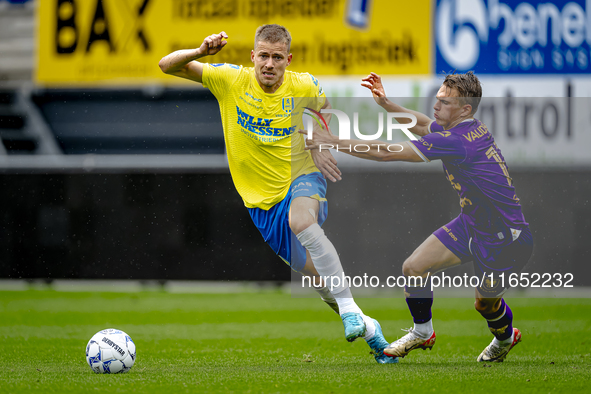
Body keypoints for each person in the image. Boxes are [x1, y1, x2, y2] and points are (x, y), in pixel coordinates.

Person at [158, 25, 397, 364]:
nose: (269, 64)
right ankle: (369, 327)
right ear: (252, 56)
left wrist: (318, 141)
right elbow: (166, 65)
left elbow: (324, 112)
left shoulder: (304, 84)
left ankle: (348, 310)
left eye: (277, 57)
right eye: (264, 56)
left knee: (301, 219)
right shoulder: (230, 80)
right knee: (319, 279)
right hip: (261, 204)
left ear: (288, 59)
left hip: (301, 176)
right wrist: (199, 52)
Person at [302, 71, 533, 362]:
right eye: (438, 98)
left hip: (506, 238)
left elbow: (387, 152)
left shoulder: (458, 141)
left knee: (485, 305)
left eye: (445, 102)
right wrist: (387, 105)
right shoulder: (467, 129)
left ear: (465, 109)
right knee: (414, 267)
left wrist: (331, 140)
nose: (436, 106)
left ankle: (506, 337)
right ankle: (423, 332)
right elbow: (423, 125)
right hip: (472, 223)